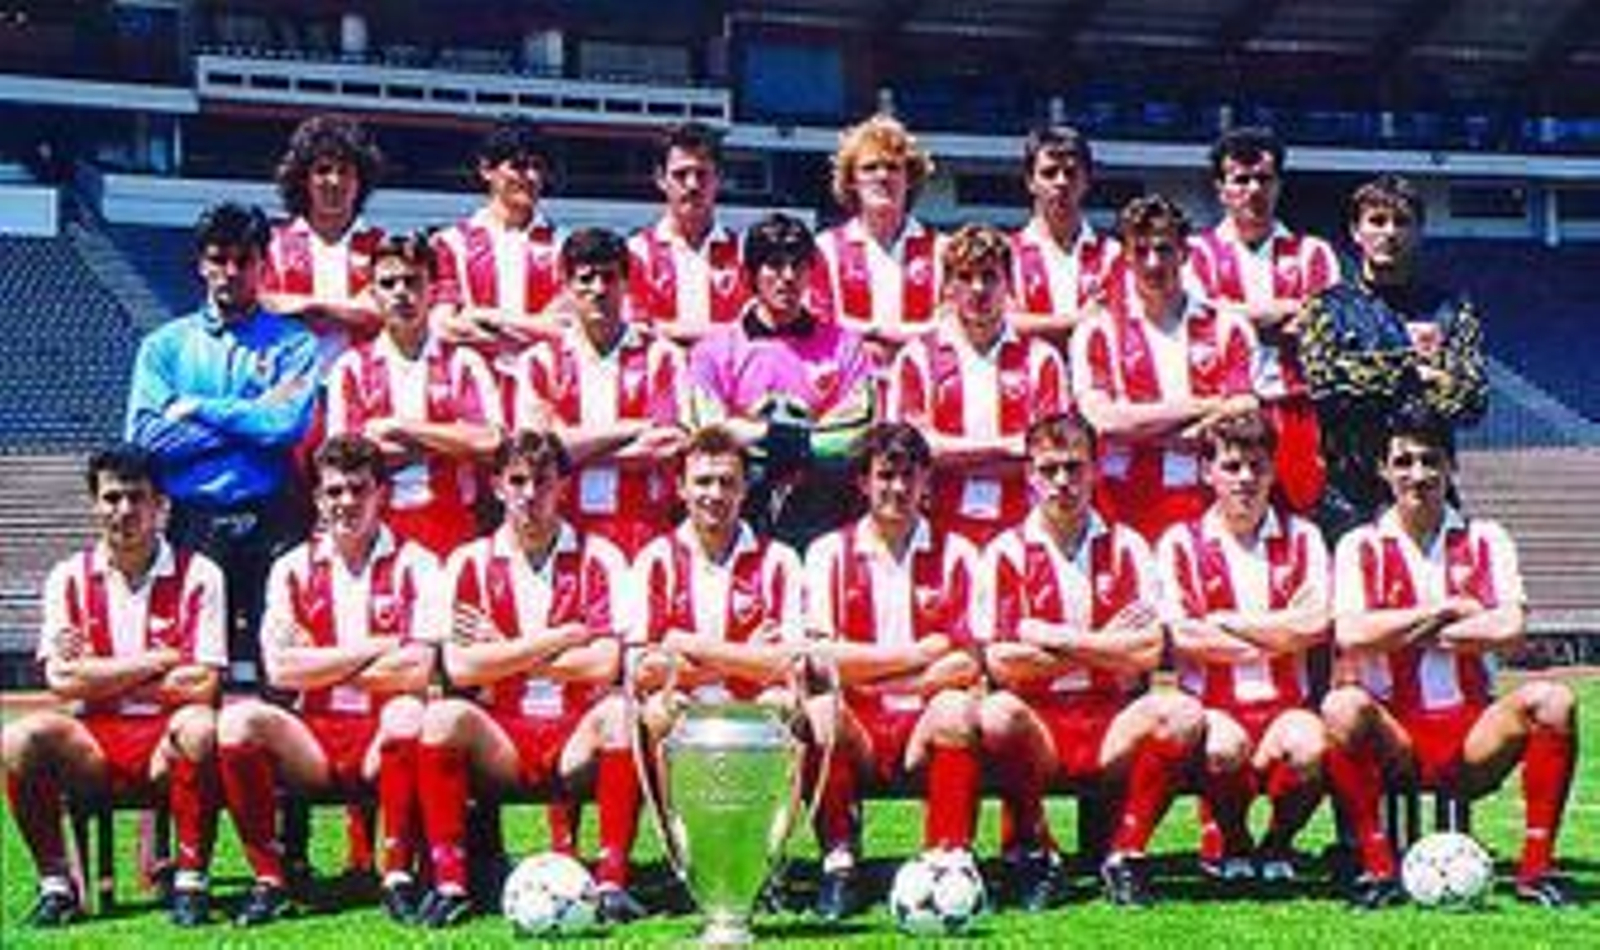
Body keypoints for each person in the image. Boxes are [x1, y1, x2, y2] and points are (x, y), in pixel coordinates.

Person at [1320, 406, 1578, 909]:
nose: (1418, 475)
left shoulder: (1486, 538)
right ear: (1382, 469)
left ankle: (1535, 871)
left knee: (1554, 700)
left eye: (1430, 460)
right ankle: (1377, 870)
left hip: (1472, 732)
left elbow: (1509, 628)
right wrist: (1445, 610)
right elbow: (1351, 633)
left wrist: (1397, 629)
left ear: (1451, 466)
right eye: (1404, 462)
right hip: (1394, 734)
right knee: (1341, 707)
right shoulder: (1360, 545)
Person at [414, 431, 643, 927]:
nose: (529, 494)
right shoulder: (468, 562)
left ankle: (612, 883)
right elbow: (461, 668)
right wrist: (557, 638)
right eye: (517, 481)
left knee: (620, 716)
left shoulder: (600, 558)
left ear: (563, 486)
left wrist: (505, 649)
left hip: (575, 729)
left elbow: (603, 664)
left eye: (542, 481)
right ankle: (451, 884)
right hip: (503, 733)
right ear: (497, 485)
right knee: (442, 717)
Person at [979, 411, 1206, 908]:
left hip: (1111, 719)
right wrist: (1105, 646)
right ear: (1029, 475)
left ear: (1096, 470)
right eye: (1049, 469)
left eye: (1074, 467)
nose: (1062, 481)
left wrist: (1053, 638)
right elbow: (1001, 662)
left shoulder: (1129, 546)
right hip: (1039, 720)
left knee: (1183, 714)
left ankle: (1126, 855)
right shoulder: (1005, 552)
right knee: (996, 713)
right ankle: (1038, 852)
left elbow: (1149, 651)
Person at [215, 435, 440, 925]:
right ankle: (271, 878)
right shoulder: (290, 568)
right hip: (313, 737)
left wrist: (318, 658)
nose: (346, 502)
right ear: (318, 499)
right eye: (334, 491)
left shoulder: (418, 564)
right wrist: (380, 646)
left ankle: (397, 876)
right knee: (237, 722)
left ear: (381, 494)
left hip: (382, 732)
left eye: (359, 489)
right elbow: (281, 669)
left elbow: (418, 669)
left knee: (409, 711)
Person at [1, 444, 227, 927]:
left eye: (137, 497)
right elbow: (61, 679)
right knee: (18, 738)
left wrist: (98, 675)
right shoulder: (68, 577)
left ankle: (191, 880)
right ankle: (56, 885)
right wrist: (158, 660)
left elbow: (202, 684)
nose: (124, 510)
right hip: (94, 744)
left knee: (201, 726)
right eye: (111, 498)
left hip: (167, 741)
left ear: (160, 505)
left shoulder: (200, 574)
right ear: (94, 505)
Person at [125, 201, 320, 684]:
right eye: (219, 259)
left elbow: (285, 426)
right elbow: (146, 438)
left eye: (243, 260)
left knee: (279, 668)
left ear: (263, 263)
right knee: (195, 671)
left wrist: (198, 406)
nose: (230, 272)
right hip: (194, 520)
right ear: (201, 264)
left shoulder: (295, 345)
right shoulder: (163, 347)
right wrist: (250, 419)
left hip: (274, 517)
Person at [800, 423, 985, 921]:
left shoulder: (959, 553)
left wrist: (877, 673)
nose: (898, 488)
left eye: (909, 476)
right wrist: (918, 654)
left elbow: (968, 660)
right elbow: (822, 661)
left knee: (956, 708)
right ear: (863, 482)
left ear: (926, 480)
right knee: (820, 711)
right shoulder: (826, 553)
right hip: (858, 724)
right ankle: (839, 860)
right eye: (885, 476)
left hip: (923, 721)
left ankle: (948, 859)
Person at [1155, 412, 1330, 883]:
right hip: (1213, 710)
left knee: (1311, 746)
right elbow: (1185, 636)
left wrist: (1230, 622)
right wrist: (1279, 634)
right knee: (1222, 747)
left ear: (1273, 470)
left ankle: (1277, 842)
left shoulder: (1303, 537)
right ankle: (1234, 839)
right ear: (1207, 472)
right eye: (1232, 466)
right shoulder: (1180, 543)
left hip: (1286, 707)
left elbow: (1316, 624)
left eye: (1257, 466)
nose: (1246, 478)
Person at [1300, 174, 1488, 539]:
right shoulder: (1326, 309)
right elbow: (1325, 384)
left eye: (1401, 222)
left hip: (1428, 494)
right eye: (1377, 221)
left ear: (1418, 232)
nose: (1389, 233)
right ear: (1356, 231)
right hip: (1347, 500)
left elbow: (1472, 399)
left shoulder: (1451, 309)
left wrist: (1368, 373)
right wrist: (1416, 371)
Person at [1071, 194, 1257, 542]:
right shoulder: (1096, 331)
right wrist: (1205, 406)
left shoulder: (1228, 326)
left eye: (1164, 249)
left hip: (1205, 507)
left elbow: (1243, 412)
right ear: (1126, 257)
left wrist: (1139, 427)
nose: (1153, 263)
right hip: (1120, 507)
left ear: (1184, 252)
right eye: (1141, 251)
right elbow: (1103, 423)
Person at [685, 213, 875, 547]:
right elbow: (708, 434)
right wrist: (805, 441)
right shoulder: (712, 351)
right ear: (751, 274)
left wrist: (767, 436)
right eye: (774, 265)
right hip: (738, 520)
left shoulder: (846, 346)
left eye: (798, 266)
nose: (787, 277)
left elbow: (856, 434)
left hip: (824, 517)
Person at [1188, 127, 1340, 516]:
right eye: (1241, 180)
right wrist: (1287, 307)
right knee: (1226, 524)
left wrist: (1232, 313)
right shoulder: (1194, 253)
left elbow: (1322, 325)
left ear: (1279, 185)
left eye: (1264, 179)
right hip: (1222, 412)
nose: (1253, 189)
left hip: (1296, 410)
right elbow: (1199, 326)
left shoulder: (1313, 253)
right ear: (1221, 189)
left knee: (1296, 521)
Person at [508, 227, 686, 557]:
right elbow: (538, 453)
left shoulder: (662, 356)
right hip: (565, 529)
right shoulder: (539, 361)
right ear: (566, 285)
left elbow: (665, 446)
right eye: (586, 279)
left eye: (609, 277)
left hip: (644, 528)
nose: (599, 289)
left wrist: (571, 451)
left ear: (626, 283)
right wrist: (633, 429)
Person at [887, 223, 1069, 544]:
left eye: (989, 276)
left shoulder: (1042, 360)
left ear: (1008, 284)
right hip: (937, 528)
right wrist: (1007, 448)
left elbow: (1049, 457)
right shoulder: (916, 358)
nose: (978, 288)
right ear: (947, 286)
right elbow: (913, 454)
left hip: (1022, 530)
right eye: (965, 277)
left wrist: (950, 457)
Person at [326, 232, 503, 556]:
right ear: (373, 294)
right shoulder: (350, 367)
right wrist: (453, 442)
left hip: (453, 524)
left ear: (432, 290)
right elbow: (346, 462)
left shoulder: (464, 362)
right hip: (377, 527)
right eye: (388, 284)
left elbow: (491, 444)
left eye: (412, 281)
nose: (401, 293)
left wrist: (401, 428)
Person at [634, 425, 805, 705]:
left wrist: (689, 645)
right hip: (680, 710)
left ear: (744, 488)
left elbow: (792, 665)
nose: (715, 494)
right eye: (703, 482)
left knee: (781, 701)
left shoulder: (780, 560)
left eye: (727, 482)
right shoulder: (655, 559)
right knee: (658, 709)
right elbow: (642, 671)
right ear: (681, 488)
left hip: (755, 708)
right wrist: (747, 656)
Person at [429, 118, 566, 369]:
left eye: (538, 166)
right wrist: (532, 330)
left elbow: (566, 328)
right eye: (519, 166)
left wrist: (484, 315)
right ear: (486, 170)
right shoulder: (450, 243)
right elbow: (442, 327)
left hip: (545, 383)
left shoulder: (565, 245)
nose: (532, 176)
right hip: (475, 384)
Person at [812, 113, 941, 366]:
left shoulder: (943, 250)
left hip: (924, 385)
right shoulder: (823, 249)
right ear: (851, 181)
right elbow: (818, 326)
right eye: (869, 167)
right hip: (848, 385)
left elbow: (954, 329)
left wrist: (876, 335)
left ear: (909, 179)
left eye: (893, 167)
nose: (882, 176)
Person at [262, 113, 387, 370]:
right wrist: (351, 310)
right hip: (288, 385)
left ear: (360, 180)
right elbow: (258, 306)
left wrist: (305, 308)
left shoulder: (383, 247)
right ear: (303, 179)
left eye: (345, 171)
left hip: (364, 386)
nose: (334, 181)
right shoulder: (273, 245)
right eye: (323, 170)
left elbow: (387, 313)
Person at [626, 122, 749, 346]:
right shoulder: (635, 253)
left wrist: (668, 330)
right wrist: (724, 333)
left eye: (702, 174)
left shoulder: (745, 253)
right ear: (660, 179)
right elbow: (634, 330)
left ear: (718, 178)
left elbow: (753, 330)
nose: (692, 185)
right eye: (680, 175)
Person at [1009, 125, 1118, 345]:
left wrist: (1037, 325)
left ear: (1087, 181)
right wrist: (1078, 320)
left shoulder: (1114, 256)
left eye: (1071, 173)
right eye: (1049, 173)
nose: (1061, 182)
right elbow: (1002, 324)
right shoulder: (1007, 254)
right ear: (1030, 182)